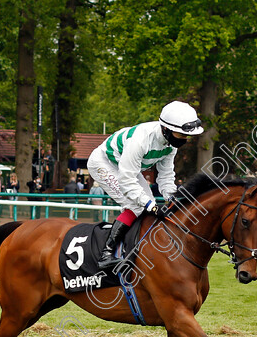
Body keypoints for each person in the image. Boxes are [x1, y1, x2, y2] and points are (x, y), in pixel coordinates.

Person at [87, 100, 203, 269]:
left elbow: (165, 176)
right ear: (166, 129)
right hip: (103, 163)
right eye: (181, 134)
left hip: (126, 167)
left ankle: (136, 248)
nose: (185, 139)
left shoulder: (170, 145)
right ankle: (106, 253)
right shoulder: (141, 140)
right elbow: (127, 181)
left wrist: (172, 198)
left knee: (147, 205)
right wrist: (152, 206)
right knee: (137, 205)